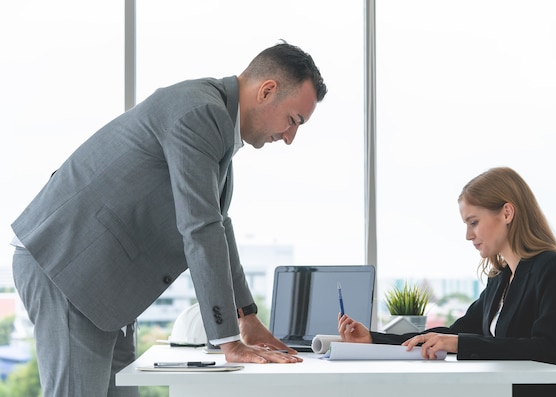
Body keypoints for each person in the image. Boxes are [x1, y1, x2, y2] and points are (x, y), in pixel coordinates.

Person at [11, 41, 327, 397]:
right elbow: (200, 229)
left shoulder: (217, 122)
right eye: (293, 120)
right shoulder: (198, 113)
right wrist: (228, 341)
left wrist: (248, 319)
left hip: (102, 282)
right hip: (69, 266)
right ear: (267, 91)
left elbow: (219, 224)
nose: (289, 138)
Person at [338, 167, 556, 396]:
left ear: (507, 212)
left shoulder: (553, 268)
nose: (468, 235)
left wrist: (459, 344)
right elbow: (451, 333)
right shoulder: (500, 280)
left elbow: (549, 350)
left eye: (474, 222)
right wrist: (373, 339)